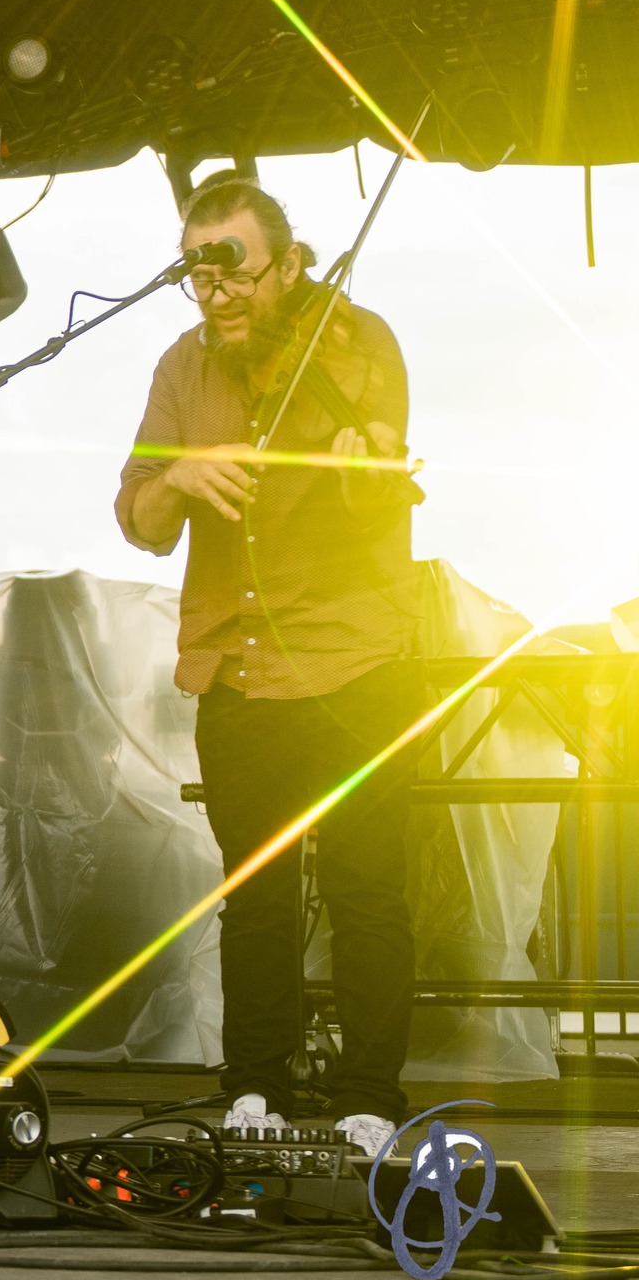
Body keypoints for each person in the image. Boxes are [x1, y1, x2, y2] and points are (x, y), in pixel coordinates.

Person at [115, 176, 423, 1160]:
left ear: (287, 265)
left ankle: (371, 1093)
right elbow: (137, 517)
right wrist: (180, 473)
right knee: (253, 888)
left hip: (355, 661)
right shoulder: (180, 367)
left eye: (235, 268)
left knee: (369, 888)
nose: (217, 292)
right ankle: (253, 1084)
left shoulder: (357, 339)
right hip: (238, 666)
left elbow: (381, 491)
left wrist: (358, 451)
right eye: (198, 272)